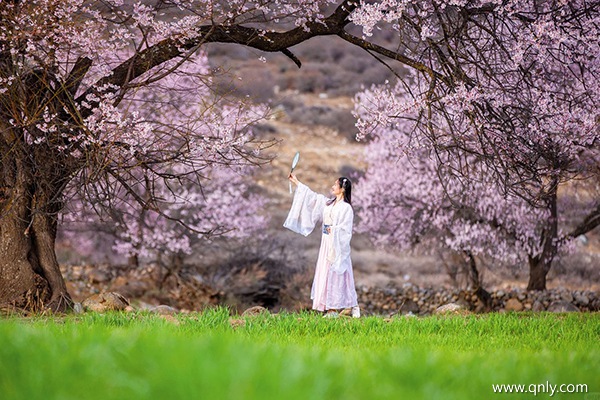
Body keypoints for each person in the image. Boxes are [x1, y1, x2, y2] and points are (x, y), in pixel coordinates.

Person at [284, 173, 360, 318]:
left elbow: (346, 230)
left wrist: (334, 230)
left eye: (335, 184)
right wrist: (297, 182)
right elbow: (312, 198)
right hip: (326, 242)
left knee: (337, 272)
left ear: (342, 188)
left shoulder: (346, 208)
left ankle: (341, 306)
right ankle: (329, 308)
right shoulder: (329, 204)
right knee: (326, 271)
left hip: (336, 244)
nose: (332, 186)